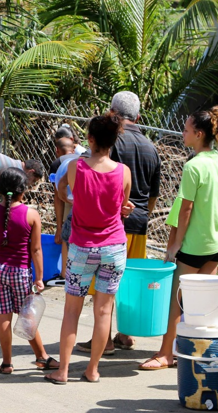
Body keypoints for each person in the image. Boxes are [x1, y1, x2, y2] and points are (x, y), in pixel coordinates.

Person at [45, 112, 132, 384]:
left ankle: (63, 371)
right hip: (114, 246)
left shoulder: (75, 167)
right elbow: (122, 206)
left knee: (72, 310)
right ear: (114, 140)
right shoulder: (123, 172)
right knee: (104, 311)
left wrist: (75, 196)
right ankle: (93, 370)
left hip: (83, 247)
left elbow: (60, 191)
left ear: (90, 139)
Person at [76, 91, 161, 354]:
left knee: (104, 287)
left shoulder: (111, 141)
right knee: (126, 282)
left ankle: (105, 341)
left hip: (112, 225)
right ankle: (124, 334)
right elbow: (154, 195)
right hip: (139, 222)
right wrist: (141, 214)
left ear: (112, 112)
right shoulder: (151, 147)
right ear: (137, 116)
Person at [139, 108, 218, 370]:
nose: (182, 133)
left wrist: (174, 245)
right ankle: (197, 353)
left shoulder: (193, 165)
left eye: (185, 130)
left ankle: (165, 353)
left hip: (194, 245)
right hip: (215, 244)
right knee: (204, 305)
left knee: (177, 301)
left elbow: (185, 208)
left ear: (198, 134)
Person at [0, 167, 60, 374]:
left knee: (3, 318)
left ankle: (7, 364)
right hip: (20, 272)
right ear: (22, 190)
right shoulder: (31, 215)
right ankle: (41, 357)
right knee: (27, 316)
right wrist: (40, 278)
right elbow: (36, 249)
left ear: (0, 190)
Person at [50, 137, 77, 280]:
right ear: (74, 149)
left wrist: (59, 228)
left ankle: (64, 273)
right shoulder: (82, 157)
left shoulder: (58, 163)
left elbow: (57, 197)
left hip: (67, 198)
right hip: (80, 198)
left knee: (67, 235)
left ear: (57, 150)